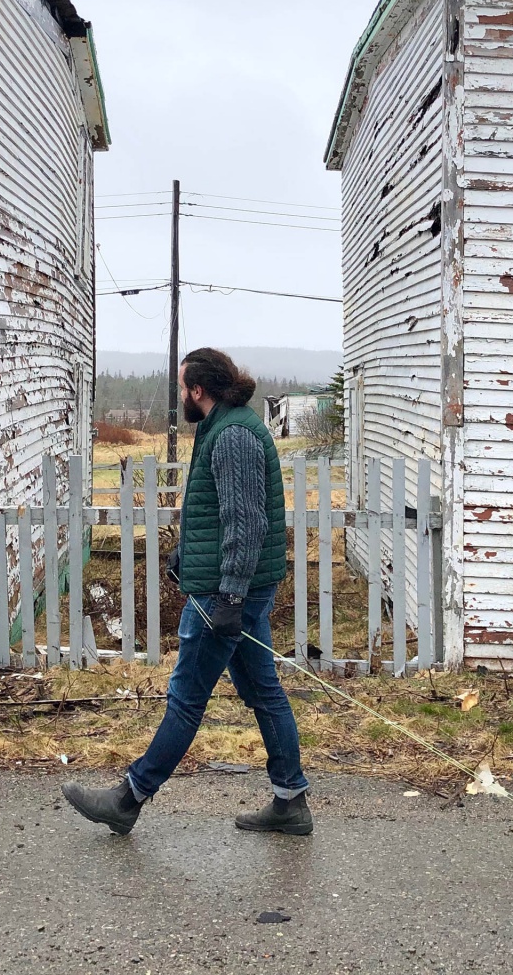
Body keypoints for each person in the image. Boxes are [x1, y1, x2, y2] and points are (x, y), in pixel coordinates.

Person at [61, 348, 311, 836]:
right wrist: (184, 557)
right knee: (263, 691)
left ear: (199, 390)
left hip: (227, 592)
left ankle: (128, 797)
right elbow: (216, 513)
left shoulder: (233, 434)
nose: (180, 396)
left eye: (182, 388)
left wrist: (231, 598)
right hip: (234, 584)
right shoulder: (222, 427)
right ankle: (290, 800)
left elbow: (246, 521)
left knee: (186, 697)